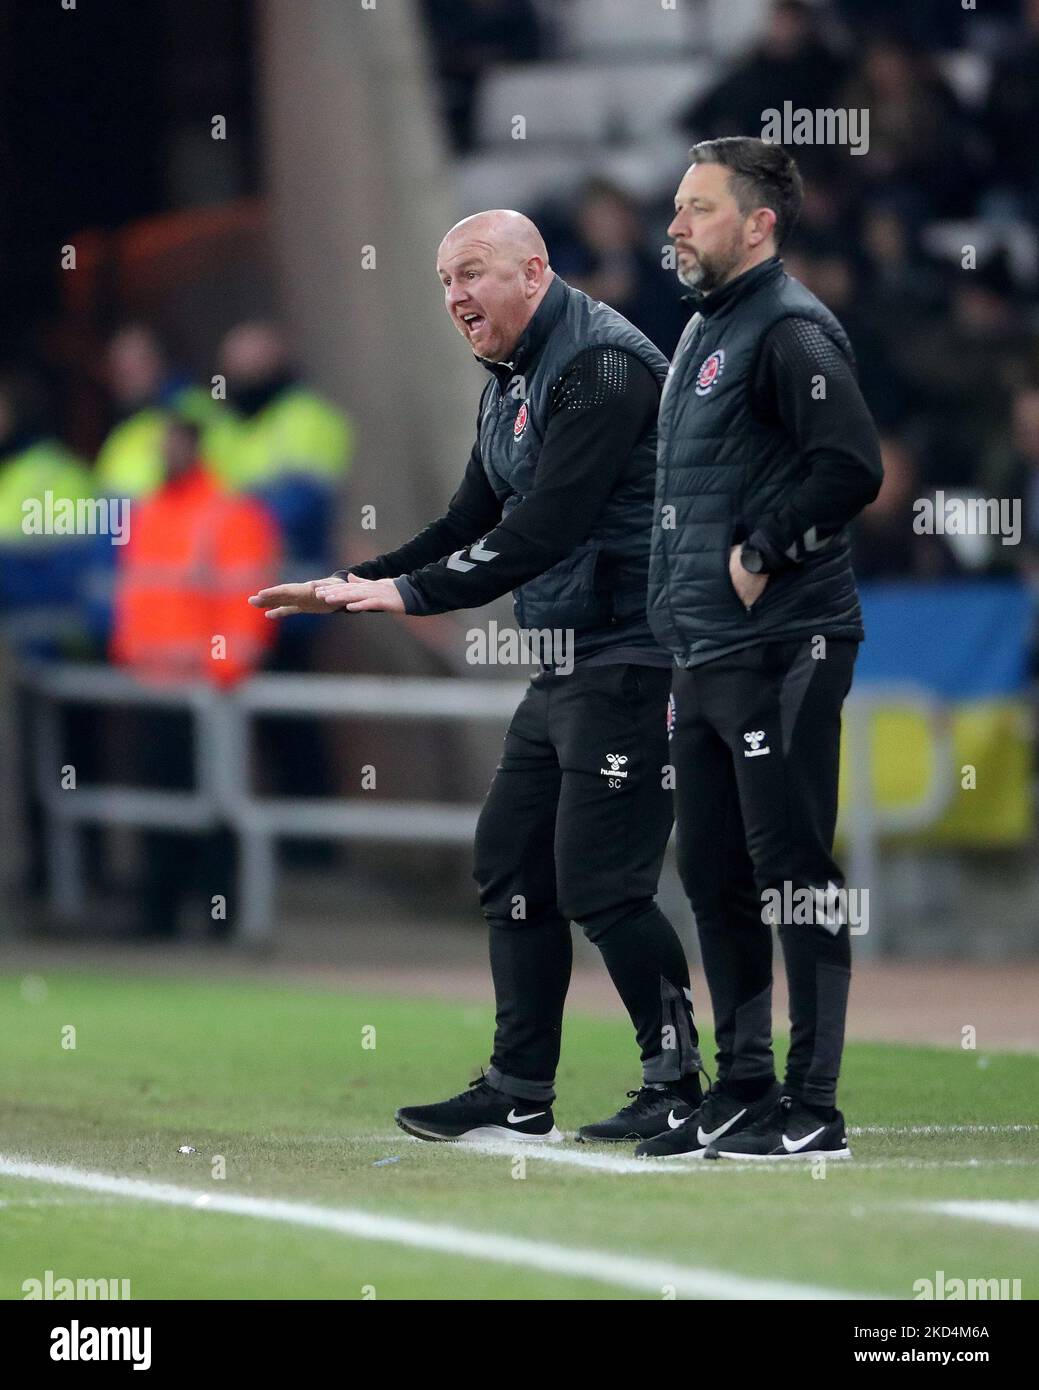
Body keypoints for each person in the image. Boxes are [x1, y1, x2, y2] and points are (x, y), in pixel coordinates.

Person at [250, 209, 705, 1144]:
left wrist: (410, 596)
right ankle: (518, 1088)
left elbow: (546, 526)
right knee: (511, 860)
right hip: (569, 659)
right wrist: (354, 585)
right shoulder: (511, 378)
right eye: (443, 281)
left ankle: (679, 1081)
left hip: (635, 652)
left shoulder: (602, 368)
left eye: (471, 273)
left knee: (603, 881)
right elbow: (471, 514)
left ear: (533, 272)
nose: (454, 295)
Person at [637, 139, 882, 1161]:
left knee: (791, 867)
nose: (675, 226)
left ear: (759, 223)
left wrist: (764, 546)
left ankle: (812, 1103)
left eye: (697, 208)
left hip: (787, 641)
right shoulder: (705, 327)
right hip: (707, 649)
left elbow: (851, 465)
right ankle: (741, 1084)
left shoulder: (786, 327)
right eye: (677, 207)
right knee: (711, 869)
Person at [111, 417, 280, 938]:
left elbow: (247, 603)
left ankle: (219, 916)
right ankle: (158, 914)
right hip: (156, 689)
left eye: (174, 443)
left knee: (216, 807)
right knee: (161, 809)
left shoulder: (229, 515)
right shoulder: (151, 513)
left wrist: (223, 671)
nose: (165, 453)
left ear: (196, 448)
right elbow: (139, 596)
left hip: (209, 692)